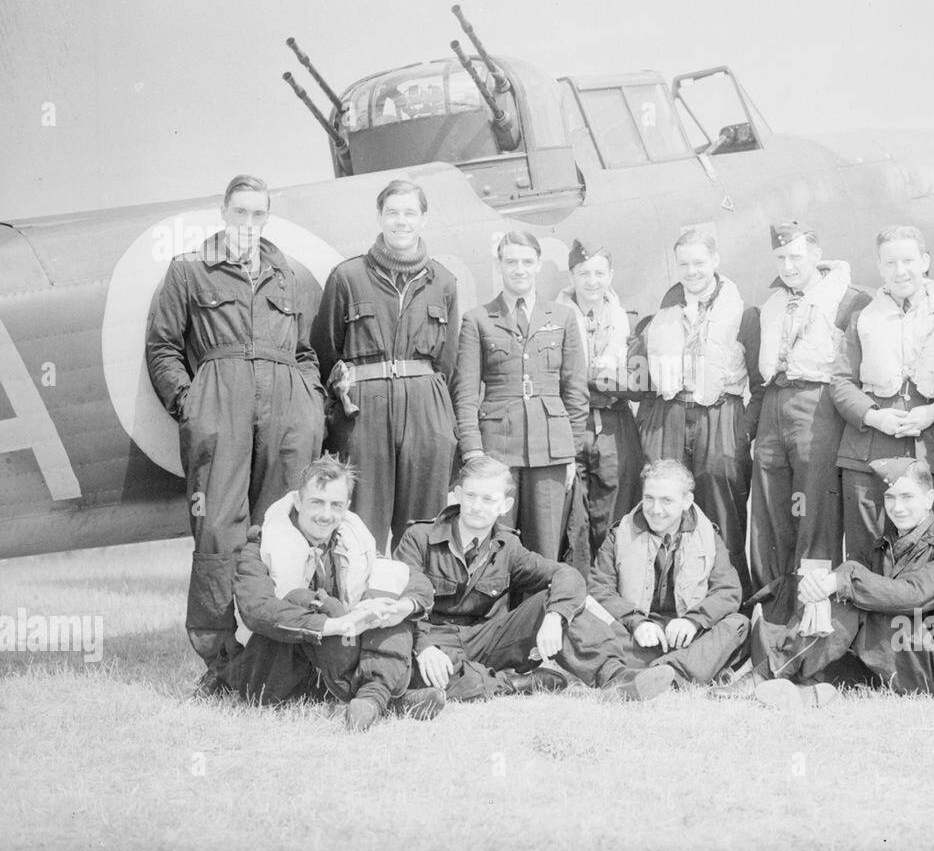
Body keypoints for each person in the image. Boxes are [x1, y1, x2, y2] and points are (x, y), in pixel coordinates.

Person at [146, 174, 324, 675]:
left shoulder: (287, 276)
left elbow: (306, 352)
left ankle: (288, 648)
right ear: (224, 212)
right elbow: (162, 346)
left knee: (283, 525)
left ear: (267, 216)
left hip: (288, 409)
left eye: (258, 214)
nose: (248, 223)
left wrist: (308, 400)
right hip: (220, 404)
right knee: (220, 528)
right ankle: (220, 656)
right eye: (240, 213)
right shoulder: (189, 271)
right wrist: (192, 404)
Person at [397, 455, 675, 703]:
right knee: (410, 671)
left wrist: (555, 617)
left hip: (487, 640)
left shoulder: (508, 546)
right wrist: (423, 647)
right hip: (433, 639)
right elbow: (402, 600)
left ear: (504, 505)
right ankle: (514, 683)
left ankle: (616, 677)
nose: (477, 507)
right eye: (470, 496)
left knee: (559, 602)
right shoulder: (420, 538)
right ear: (457, 494)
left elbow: (568, 575)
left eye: (488, 499)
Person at [717, 457, 934, 708]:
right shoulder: (886, 546)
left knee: (849, 590)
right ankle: (807, 690)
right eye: (890, 497)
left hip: (932, 664)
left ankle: (764, 675)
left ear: (929, 498)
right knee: (839, 596)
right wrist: (824, 586)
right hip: (888, 657)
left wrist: (844, 579)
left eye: (907, 497)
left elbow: (914, 595)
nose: (898, 507)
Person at [207, 454, 440, 731]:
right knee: (311, 603)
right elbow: (256, 610)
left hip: (340, 656)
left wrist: (404, 607)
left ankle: (371, 699)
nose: (325, 514)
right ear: (297, 501)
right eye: (317, 502)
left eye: (335, 505)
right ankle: (388, 700)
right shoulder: (261, 544)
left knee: (388, 595)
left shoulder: (354, 540)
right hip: (278, 667)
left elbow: (411, 577)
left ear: (346, 507)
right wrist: (335, 624)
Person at [312, 179, 459, 553]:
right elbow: (324, 350)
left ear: (423, 219)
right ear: (380, 217)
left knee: (424, 525)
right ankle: (360, 606)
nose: (400, 221)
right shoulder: (348, 277)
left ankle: (419, 606)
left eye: (410, 213)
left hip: (426, 412)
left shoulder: (443, 281)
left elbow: (448, 361)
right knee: (362, 522)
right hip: (365, 414)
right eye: (392, 212)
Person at [750, 220, 870, 623]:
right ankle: (772, 614)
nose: (788, 265)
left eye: (796, 256)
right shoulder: (771, 304)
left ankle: (814, 615)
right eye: (781, 257)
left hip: (817, 406)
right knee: (770, 510)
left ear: (817, 255)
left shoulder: (847, 299)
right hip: (774, 403)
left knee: (814, 510)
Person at [635, 228, 762, 596]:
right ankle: (665, 597)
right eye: (684, 264)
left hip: (720, 415)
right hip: (671, 415)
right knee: (665, 507)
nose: (692, 271)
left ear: (715, 261)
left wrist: (742, 430)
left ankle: (732, 598)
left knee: (723, 510)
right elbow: (643, 376)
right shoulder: (664, 312)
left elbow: (761, 382)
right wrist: (649, 426)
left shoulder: (744, 314)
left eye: (699, 263)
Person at [452, 230, 587, 561]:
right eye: (511, 261)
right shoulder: (478, 319)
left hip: (551, 450)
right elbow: (465, 394)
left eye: (527, 262)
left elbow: (575, 391)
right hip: (498, 451)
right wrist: (473, 452)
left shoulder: (563, 317)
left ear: (539, 264)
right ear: (500, 265)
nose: (519, 269)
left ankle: (544, 612)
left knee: (546, 550)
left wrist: (571, 453)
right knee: (495, 547)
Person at [831, 225, 934, 562]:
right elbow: (841, 381)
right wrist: (875, 417)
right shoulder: (861, 317)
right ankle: (868, 616)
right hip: (870, 446)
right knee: (867, 548)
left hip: (926, 443)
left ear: (925, 261)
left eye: (908, 260)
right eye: (890, 263)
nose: (900, 271)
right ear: (880, 267)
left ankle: (933, 616)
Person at [588, 459, 749, 685]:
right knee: (581, 622)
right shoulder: (620, 533)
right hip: (637, 638)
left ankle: (657, 674)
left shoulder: (707, 536)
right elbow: (598, 588)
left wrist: (693, 621)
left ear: (687, 501)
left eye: (666, 500)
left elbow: (728, 591)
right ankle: (679, 672)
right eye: (649, 498)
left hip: (687, 638)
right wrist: (636, 622)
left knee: (738, 625)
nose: (655, 510)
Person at [557, 239, 646, 558]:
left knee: (616, 511)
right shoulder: (553, 320)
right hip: (572, 425)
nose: (592, 282)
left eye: (599, 273)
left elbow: (639, 383)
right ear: (572, 276)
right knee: (573, 513)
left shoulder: (629, 321)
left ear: (610, 275)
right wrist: (606, 378)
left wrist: (587, 377)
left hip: (614, 425)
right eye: (583, 273)